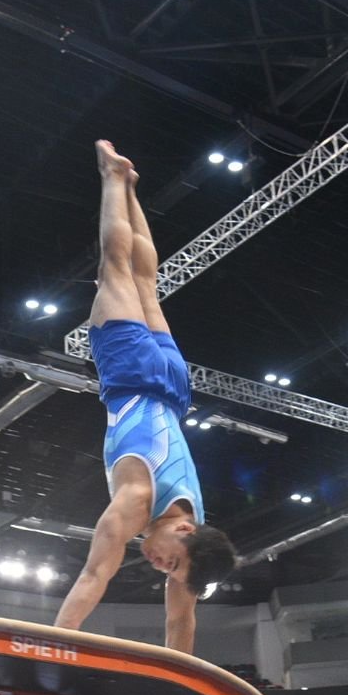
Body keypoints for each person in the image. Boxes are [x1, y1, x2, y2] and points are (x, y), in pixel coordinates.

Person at [54, 140, 237, 654]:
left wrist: (181, 681)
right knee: (115, 265)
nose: (160, 566)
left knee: (146, 281)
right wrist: (53, 644)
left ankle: (131, 185)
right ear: (185, 529)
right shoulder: (136, 502)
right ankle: (113, 177)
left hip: (175, 388)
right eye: (171, 561)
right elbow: (95, 575)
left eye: (173, 570)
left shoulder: (192, 535)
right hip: (132, 374)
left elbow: (181, 626)